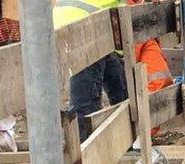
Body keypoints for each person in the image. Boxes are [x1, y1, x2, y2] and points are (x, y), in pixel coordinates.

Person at [53, 0, 173, 139]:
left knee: (120, 84)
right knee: (86, 103)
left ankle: (130, 137)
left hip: (84, 26)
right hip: (84, 30)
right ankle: (85, 150)